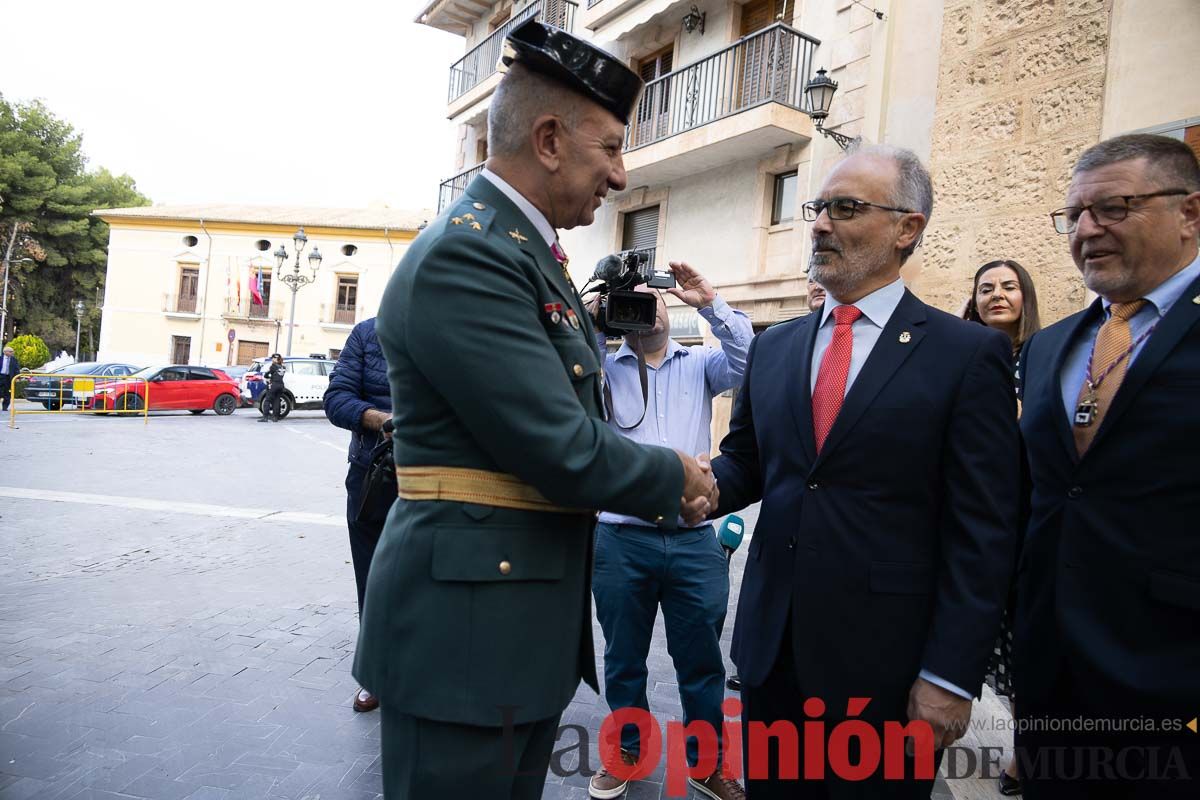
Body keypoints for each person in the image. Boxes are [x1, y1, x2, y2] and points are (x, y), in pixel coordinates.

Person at [353, 19, 716, 800]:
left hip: (508, 625)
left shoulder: (524, 249)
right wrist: (675, 476)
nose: (620, 176)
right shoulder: (471, 253)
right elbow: (556, 442)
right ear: (549, 139)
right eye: (611, 148)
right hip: (464, 639)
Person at [709, 145, 1022, 798]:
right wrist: (675, 483)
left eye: (846, 208)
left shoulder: (967, 355)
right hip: (772, 656)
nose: (821, 223)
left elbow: (985, 532)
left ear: (908, 227)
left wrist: (950, 676)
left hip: (890, 673)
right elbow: (746, 466)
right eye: (817, 207)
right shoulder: (775, 346)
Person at [1013, 133, 1200, 799]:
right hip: (1050, 677)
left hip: (1174, 682)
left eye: (1114, 208)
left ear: (1190, 214)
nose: (1087, 230)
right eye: (1075, 215)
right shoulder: (1049, 348)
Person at [587, 264, 752, 800]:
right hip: (621, 538)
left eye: (650, 299)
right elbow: (558, 377)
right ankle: (628, 751)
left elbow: (750, 362)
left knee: (702, 659)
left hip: (692, 539)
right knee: (623, 656)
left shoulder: (701, 363)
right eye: (629, 302)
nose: (642, 308)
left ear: (667, 305)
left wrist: (710, 303)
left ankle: (707, 765)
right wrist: (591, 321)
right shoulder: (602, 368)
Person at [962, 258, 1042, 796]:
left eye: (1009, 287)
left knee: (1021, 646)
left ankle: (1026, 750)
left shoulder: (1044, 356)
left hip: (1027, 520)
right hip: (967, 515)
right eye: (986, 287)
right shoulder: (957, 356)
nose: (997, 296)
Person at [323, 318, 391, 713]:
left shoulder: (458, 329)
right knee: (373, 578)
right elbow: (337, 398)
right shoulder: (368, 334)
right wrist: (378, 419)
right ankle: (375, 674)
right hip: (373, 476)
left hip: (440, 478)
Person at [259, 354, 285, 422]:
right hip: (281, 385)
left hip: (274, 385)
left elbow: (266, 375)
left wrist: (269, 376)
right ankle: (275, 418)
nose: (272, 359)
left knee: (267, 400)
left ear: (275, 359)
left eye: (273, 358)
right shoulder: (283, 367)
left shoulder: (273, 366)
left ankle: (265, 417)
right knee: (277, 401)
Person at [1, 345, 20, 412]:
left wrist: (17, 377)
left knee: (8, 393)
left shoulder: (14, 360)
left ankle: (5, 407)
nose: (12, 353)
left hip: (9, 378)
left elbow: (17, 369)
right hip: (1, 376)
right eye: (11, 352)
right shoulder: (1, 358)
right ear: (5, 352)